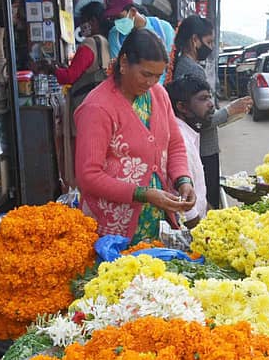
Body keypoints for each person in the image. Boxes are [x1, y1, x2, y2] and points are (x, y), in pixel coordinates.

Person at [75, 28, 196, 243]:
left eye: (157, 76)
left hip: (156, 220)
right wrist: (143, 194)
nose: (151, 83)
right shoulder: (97, 107)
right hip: (112, 229)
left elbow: (175, 144)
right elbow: (89, 176)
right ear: (124, 63)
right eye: (146, 74)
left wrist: (183, 180)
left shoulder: (158, 94)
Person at [171, 15, 251, 209]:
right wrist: (230, 110)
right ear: (195, 40)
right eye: (209, 42)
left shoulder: (184, 65)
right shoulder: (191, 70)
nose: (211, 47)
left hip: (201, 146)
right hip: (203, 149)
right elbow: (201, 120)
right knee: (207, 201)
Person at [165, 75, 214, 227]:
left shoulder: (189, 133)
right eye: (203, 99)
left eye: (210, 97)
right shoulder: (181, 141)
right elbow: (185, 208)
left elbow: (198, 191)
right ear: (182, 107)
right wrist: (205, 235)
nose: (211, 104)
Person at [104, 0, 175, 79]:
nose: (116, 22)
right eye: (113, 19)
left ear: (133, 12)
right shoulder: (115, 36)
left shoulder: (164, 29)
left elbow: (169, 68)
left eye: (119, 17)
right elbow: (120, 71)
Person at [53, 1, 111, 111]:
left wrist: (52, 70)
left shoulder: (89, 44)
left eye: (83, 21)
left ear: (93, 21)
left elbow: (70, 77)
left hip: (88, 104)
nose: (81, 26)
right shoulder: (105, 41)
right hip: (102, 102)